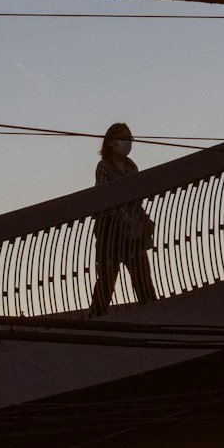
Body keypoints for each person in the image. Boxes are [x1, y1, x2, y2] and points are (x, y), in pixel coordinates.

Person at [89, 122, 156, 316]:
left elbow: (136, 199)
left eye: (130, 139)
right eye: (123, 138)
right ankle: (96, 318)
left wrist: (142, 220)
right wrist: (127, 219)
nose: (128, 143)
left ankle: (152, 311)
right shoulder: (104, 167)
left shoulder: (131, 166)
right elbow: (105, 199)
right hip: (111, 232)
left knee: (142, 275)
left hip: (132, 231)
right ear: (111, 143)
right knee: (107, 279)